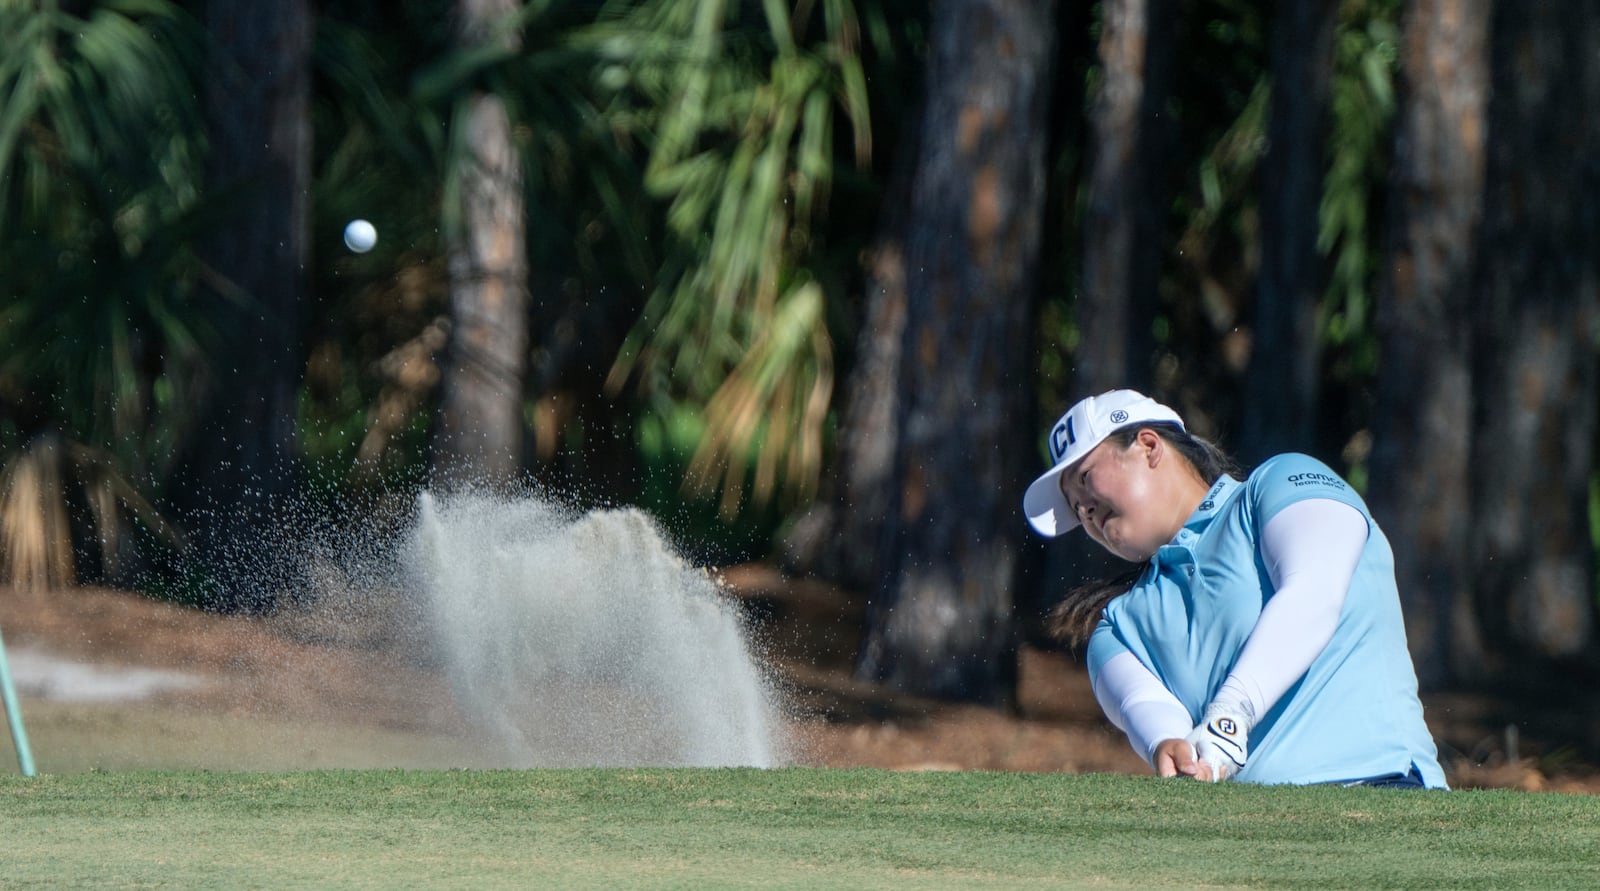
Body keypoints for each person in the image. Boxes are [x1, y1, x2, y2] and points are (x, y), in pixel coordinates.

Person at [1022, 389, 1448, 788]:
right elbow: (1154, 721)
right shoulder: (1116, 628)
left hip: (1385, 786)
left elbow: (1314, 592)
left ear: (1149, 446)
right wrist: (1176, 751)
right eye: (1074, 505)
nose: (1084, 509)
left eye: (1085, 478)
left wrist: (1231, 714)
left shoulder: (1281, 482)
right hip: (1249, 838)